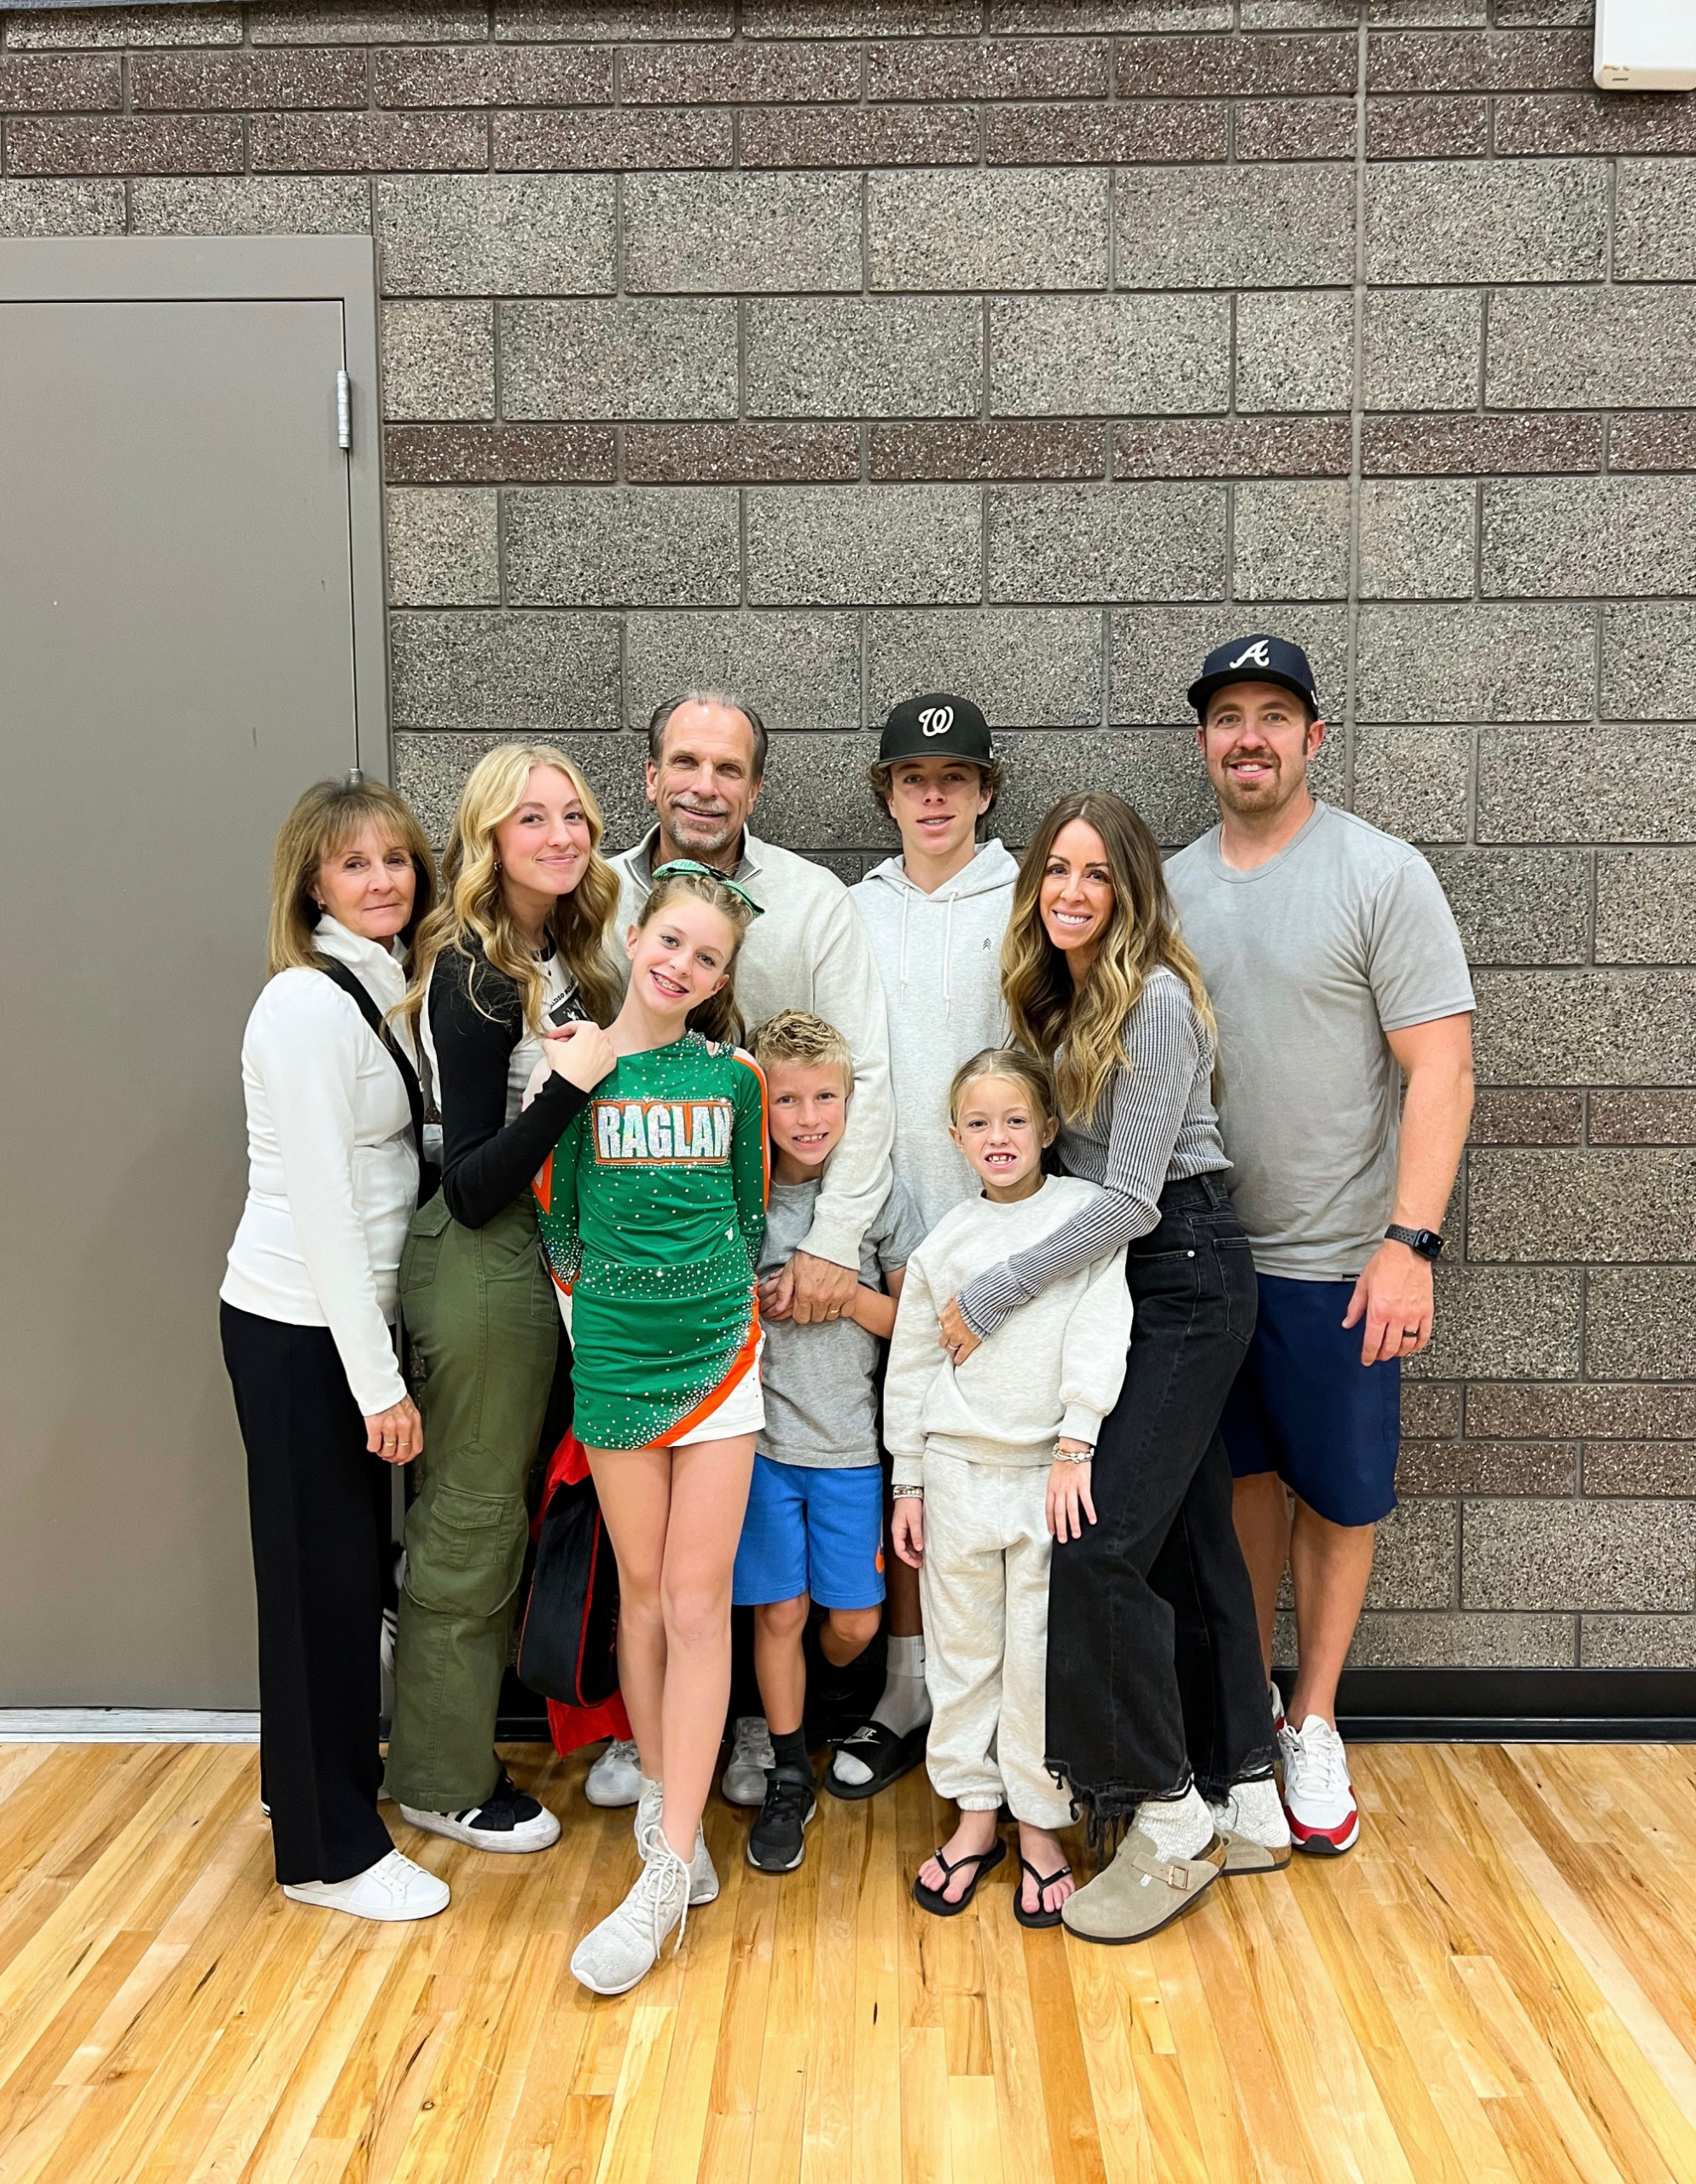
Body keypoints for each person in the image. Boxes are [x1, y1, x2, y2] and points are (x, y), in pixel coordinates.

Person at [940, 793, 1283, 1947]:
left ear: (1131, 890)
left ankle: (1168, 1818)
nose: (1072, 892)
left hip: (1184, 1273)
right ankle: (1245, 1790)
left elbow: (1131, 1199)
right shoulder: (1063, 997)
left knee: (1095, 1545)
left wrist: (993, 1288)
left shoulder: (1156, 999)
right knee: (1187, 1537)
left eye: (1096, 873)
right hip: (1141, 1280)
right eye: (1056, 871)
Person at [1165, 636, 1474, 1856]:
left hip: (1339, 1261)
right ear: (1204, 741)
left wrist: (1410, 1243)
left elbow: (1440, 1068)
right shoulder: (1170, 886)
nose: (1249, 735)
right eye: (1227, 715)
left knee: (1338, 1497)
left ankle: (1314, 1717)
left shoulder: (1379, 874)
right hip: (1202, 1261)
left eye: (1273, 714)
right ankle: (1247, 1711)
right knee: (1238, 1484)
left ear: (1312, 737)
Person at [599, 692, 895, 1813]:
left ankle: (731, 1737)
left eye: (728, 768)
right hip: (631, 1290)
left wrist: (831, 1242)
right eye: (685, 762)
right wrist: (586, 1291)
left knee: (732, 1534)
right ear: (650, 774)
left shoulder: (811, 903)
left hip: (750, 1267)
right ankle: (653, 1734)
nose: (704, 785)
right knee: (643, 1544)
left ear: (756, 787)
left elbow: (866, 1077)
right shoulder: (604, 899)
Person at [531, 866, 768, 1995]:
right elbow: (559, 1226)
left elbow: (749, 1213)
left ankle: (665, 1873)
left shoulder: (735, 1079)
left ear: (721, 979)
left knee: (694, 1598)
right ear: (633, 936)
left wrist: (707, 1307)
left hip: (720, 1355)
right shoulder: (577, 1068)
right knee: (640, 1593)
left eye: (707, 958)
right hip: (616, 1357)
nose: (682, 965)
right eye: (670, 941)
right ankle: (669, 1813)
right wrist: (605, 1329)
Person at [220, 774, 448, 1922]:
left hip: (340, 1324)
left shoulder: (375, 987)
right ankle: (327, 1855)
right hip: (302, 1326)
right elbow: (319, 1204)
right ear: (312, 884)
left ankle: (310, 1794)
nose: (381, 880)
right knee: (321, 1585)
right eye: (354, 863)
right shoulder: (307, 1004)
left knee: (342, 1578)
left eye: (395, 859)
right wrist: (378, 1385)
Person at [386, 744, 620, 1853]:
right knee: (473, 1517)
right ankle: (438, 1777)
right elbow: (473, 1180)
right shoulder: (473, 973)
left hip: (543, 1258)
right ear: (488, 838)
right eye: (532, 819)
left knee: (504, 1509)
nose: (561, 835)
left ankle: (454, 1729)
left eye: (573, 815)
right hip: (483, 1258)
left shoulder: (560, 951)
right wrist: (569, 1090)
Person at [887, 1051, 1130, 1927]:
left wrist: (1077, 1439)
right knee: (963, 1655)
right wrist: (907, 1480)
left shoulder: (1082, 1219)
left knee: (1035, 1658)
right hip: (955, 1473)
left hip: (1045, 1475)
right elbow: (912, 1366)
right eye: (979, 1122)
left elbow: (1102, 1329)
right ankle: (974, 1814)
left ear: (1048, 1129)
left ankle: (1038, 1822)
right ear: (955, 1137)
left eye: (1016, 1119)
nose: (999, 1136)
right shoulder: (943, 1244)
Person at [831, 694, 1018, 1801]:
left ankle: (993, 1700)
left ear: (985, 790)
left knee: (990, 1472)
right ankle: (906, 1689)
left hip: (999, 1244)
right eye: (913, 778)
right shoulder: (855, 910)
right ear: (887, 793)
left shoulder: (1029, 896)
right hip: (880, 1242)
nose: (934, 795)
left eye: (954, 777)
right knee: (898, 1462)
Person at [733, 1011, 925, 1873]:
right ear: (759, 1105)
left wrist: (840, 1293)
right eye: (787, 1100)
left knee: (852, 1622)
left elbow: (915, 1326)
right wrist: (756, 1296)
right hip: (762, 1448)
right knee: (776, 1611)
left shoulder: (877, 1195)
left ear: (851, 1102)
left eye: (825, 1098)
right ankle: (787, 1770)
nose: (808, 1118)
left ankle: (804, 1695)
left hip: (849, 1449)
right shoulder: (741, 1193)